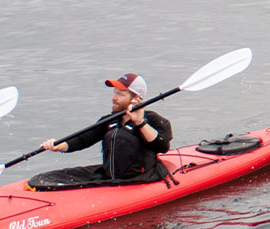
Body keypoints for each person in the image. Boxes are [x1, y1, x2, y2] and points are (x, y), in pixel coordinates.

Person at [32, 73, 173, 188]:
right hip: (111, 177)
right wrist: (57, 146)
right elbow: (82, 140)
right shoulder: (110, 120)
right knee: (58, 176)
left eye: (120, 95)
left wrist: (140, 123)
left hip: (142, 179)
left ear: (136, 99)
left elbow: (162, 145)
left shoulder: (153, 120)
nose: (114, 98)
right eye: (114, 93)